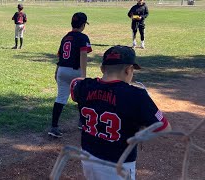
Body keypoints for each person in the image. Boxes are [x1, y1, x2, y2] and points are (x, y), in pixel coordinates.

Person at [70, 45, 171, 180]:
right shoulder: (136, 95)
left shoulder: (83, 87)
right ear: (129, 70)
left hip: (87, 156)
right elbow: (165, 129)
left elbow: (75, 83)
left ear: (102, 69)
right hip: (118, 164)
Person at [48, 12, 92, 138]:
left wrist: (57, 71)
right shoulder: (83, 37)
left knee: (60, 98)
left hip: (62, 69)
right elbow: (83, 55)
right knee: (81, 96)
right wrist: (83, 75)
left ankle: (54, 127)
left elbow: (60, 56)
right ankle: (82, 123)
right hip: (75, 71)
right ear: (83, 25)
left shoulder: (65, 37)